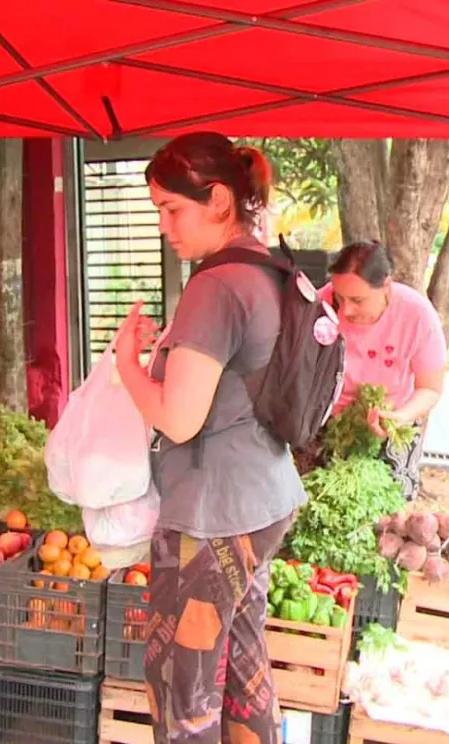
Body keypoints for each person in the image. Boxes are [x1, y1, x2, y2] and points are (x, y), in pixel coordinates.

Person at [115, 132, 304, 743]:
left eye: (172, 209)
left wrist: (126, 365)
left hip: (211, 517)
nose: (164, 226)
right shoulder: (266, 270)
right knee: (245, 671)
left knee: (183, 686)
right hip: (263, 499)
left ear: (219, 200)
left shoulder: (215, 286)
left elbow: (178, 419)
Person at [319, 241, 447, 499]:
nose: (345, 310)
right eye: (339, 297)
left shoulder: (417, 314)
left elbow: (430, 389)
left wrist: (400, 416)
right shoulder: (320, 304)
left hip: (394, 417)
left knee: (392, 504)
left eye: (357, 300)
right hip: (330, 422)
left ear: (386, 285)